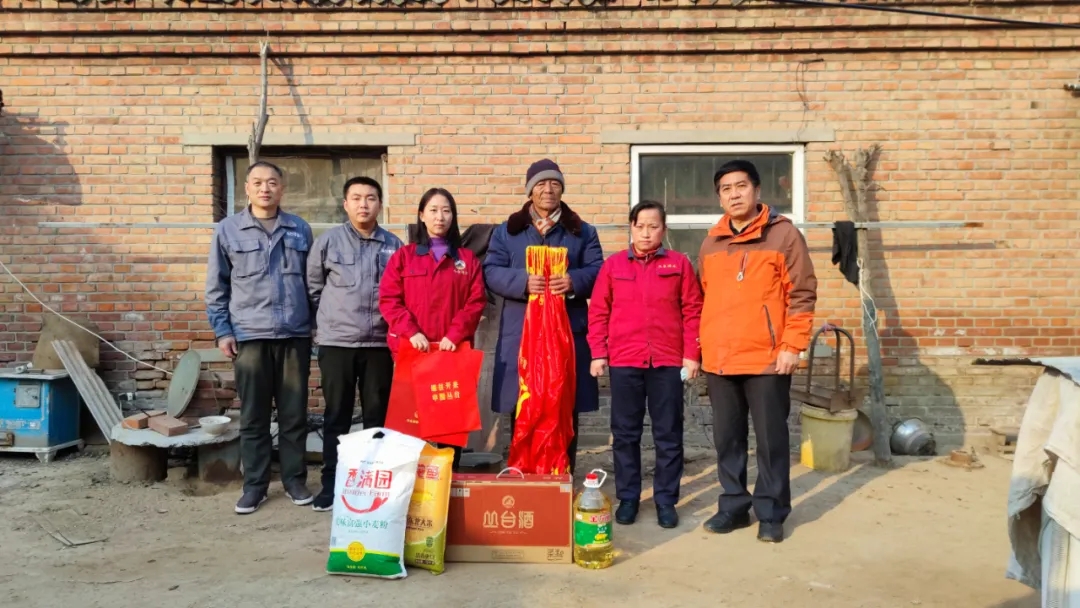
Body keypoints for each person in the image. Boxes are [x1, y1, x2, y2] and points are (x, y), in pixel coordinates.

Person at [698, 159, 817, 543]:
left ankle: (771, 513)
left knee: (770, 441)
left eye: (741, 186)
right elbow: (704, 297)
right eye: (726, 189)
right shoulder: (711, 242)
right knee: (727, 440)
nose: (734, 194)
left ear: (757, 190)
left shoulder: (784, 236)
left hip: (767, 358)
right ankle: (733, 507)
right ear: (719, 197)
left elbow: (802, 294)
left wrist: (792, 345)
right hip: (720, 358)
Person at [205, 161, 315, 515]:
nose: (265, 188)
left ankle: (295, 480)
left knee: (294, 414)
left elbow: (312, 284)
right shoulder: (228, 230)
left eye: (272, 182)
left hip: (294, 335)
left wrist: (314, 327)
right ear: (247, 188)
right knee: (254, 416)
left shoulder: (299, 229)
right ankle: (255, 485)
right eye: (257, 182)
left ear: (282, 188)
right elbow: (217, 286)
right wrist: (223, 331)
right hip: (250, 335)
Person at [587, 200, 703, 529]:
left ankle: (666, 500)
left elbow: (693, 310)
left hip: (667, 361)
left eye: (654, 226)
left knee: (668, 433)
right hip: (625, 360)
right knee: (625, 434)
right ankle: (628, 498)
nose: (646, 233)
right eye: (640, 226)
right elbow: (599, 311)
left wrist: (692, 354)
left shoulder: (679, 264)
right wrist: (598, 353)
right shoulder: (613, 266)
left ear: (664, 230)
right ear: (631, 228)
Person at [483, 158, 604, 474]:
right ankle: (523, 475)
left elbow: (599, 270)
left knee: (564, 404)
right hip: (522, 332)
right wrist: (522, 281)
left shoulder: (582, 231)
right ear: (529, 191)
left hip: (566, 333)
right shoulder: (507, 232)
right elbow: (491, 270)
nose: (548, 189)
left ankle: (562, 478)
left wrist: (574, 281)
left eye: (554, 183)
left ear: (562, 189)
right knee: (523, 404)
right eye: (540, 184)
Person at [306, 176, 403, 512]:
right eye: (357, 198)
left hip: (379, 344)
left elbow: (400, 293)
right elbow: (313, 289)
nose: (364, 204)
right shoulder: (328, 242)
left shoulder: (393, 245)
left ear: (380, 204)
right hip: (338, 343)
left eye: (371, 198)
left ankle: (370, 484)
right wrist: (328, 324)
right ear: (346, 204)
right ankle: (332, 483)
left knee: (377, 416)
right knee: (337, 415)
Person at [378, 187, 487, 466]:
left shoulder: (466, 259)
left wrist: (456, 333)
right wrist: (411, 331)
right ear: (422, 215)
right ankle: (413, 484)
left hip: (451, 352)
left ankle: (448, 481)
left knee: (450, 424)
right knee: (411, 426)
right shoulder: (404, 257)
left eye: (446, 211)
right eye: (434, 210)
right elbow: (389, 299)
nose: (440, 217)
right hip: (414, 352)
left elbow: (476, 301)